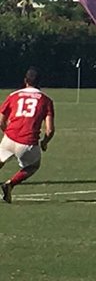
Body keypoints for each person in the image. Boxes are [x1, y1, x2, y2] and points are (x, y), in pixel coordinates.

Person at [0, 68, 55, 204]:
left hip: (9, 137)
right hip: (28, 142)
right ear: (40, 83)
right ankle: (10, 184)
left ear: (25, 81)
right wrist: (44, 142)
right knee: (33, 166)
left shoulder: (13, 95)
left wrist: (7, 133)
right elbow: (50, 130)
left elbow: (0, 120)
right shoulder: (46, 100)